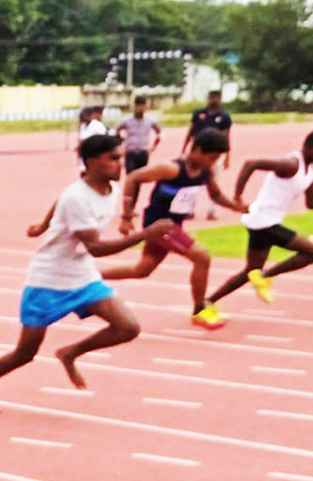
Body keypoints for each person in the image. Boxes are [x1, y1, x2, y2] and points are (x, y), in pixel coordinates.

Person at [0, 134, 166, 413]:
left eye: (120, 157)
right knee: (25, 353)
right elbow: (95, 247)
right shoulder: (77, 198)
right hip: (49, 280)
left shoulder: (109, 188)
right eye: (114, 158)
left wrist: (43, 224)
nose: (120, 163)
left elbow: (61, 198)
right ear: (92, 161)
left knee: (128, 327)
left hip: (82, 275)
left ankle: (71, 352)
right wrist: (146, 234)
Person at [100, 129, 241, 330]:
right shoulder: (171, 168)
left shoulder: (204, 172)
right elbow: (133, 178)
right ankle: (199, 311)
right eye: (212, 157)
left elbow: (217, 196)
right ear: (198, 150)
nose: (214, 162)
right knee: (202, 256)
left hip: (174, 225)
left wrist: (239, 207)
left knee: (142, 269)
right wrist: (126, 216)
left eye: (217, 158)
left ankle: (89, 276)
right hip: (159, 226)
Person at [204, 129, 313, 307]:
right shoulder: (291, 164)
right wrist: (238, 197)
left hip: (266, 222)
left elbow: (312, 203)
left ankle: (206, 302)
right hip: (263, 221)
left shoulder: (312, 171)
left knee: (250, 271)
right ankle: (265, 276)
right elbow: (251, 164)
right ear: (309, 147)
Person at [184, 91, 233, 218]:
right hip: (197, 153)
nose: (213, 100)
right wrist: (185, 148)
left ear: (220, 99)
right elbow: (191, 131)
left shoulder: (224, 117)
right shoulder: (199, 114)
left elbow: (226, 136)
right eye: (211, 97)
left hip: (214, 155)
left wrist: (227, 156)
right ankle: (188, 209)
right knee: (192, 181)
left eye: (216, 98)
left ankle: (212, 211)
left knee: (215, 182)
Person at [116, 97, 161, 177]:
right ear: (134, 106)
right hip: (131, 151)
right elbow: (117, 131)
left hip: (143, 151)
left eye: (142, 106)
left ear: (145, 107)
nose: (140, 108)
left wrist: (154, 146)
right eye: (138, 106)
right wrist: (121, 141)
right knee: (130, 176)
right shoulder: (127, 120)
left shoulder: (150, 120)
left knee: (140, 177)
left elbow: (159, 133)